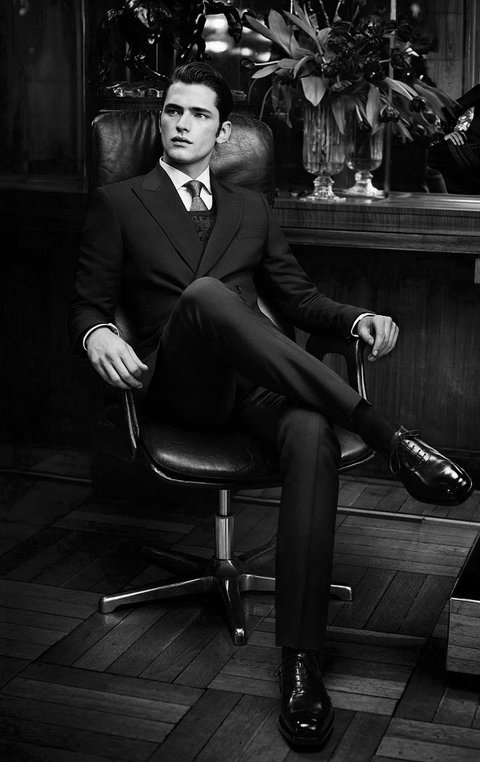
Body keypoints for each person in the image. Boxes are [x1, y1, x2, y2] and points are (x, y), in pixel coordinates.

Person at [70, 62, 473, 751]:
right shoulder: (120, 202)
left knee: (312, 430)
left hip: (258, 387)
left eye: (198, 114)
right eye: (172, 111)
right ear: (160, 120)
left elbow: (298, 299)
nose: (181, 124)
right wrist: (97, 332)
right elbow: (86, 302)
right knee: (206, 294)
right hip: (183, 389)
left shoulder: (251, 208)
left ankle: (301, 662)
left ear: (222, 132)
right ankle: (390, 436)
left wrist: (356, 319)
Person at [427, 83, 480, 194]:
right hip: (465, 151)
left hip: (470, 154)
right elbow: (449, 112)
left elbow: (448, 112)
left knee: (423, 159)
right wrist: (445, 135)